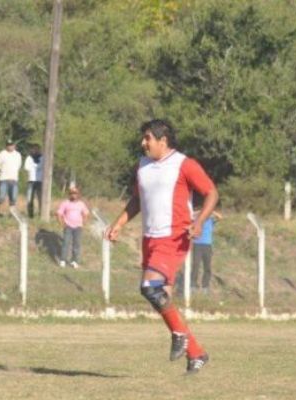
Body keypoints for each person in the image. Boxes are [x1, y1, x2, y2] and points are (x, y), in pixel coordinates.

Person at [106, 119, 218, 375]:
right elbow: (137, 200)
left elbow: (211, 193)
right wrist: (119, 224)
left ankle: (180, 335)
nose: (143, 143)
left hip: (174, 236)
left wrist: (199, 222)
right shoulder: (143, 166)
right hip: (150, 238)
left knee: (150, 288)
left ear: (162, 140)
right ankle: (197, 353)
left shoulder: (184, 164)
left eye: (147, 138)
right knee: (161, 298)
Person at [56, 187, 89, 268]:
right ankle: (63, 260)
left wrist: (84, 222)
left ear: (78, 194)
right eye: (72, 193)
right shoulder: (65, 203)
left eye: (75, 193)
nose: (73, 195)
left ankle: (74, 261)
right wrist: (62, 223)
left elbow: (86, 213)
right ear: (69, 194)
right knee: (66, 243)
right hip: (68, 226)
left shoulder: (81, 204)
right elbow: (59, 213)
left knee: (77, 244)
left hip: (78, 227)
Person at [191, 209, 223, 294]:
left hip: (207, 246)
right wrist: (200, 211)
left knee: (207, 267)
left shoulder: (211, 221)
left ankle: (205, 286)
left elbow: (220, 217)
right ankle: (193, 285)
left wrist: (211, 210)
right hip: (197, 244)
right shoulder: (197, 220)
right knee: (195, 266)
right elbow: (190, 215)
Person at [0, 140, 22, 216]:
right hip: (3, 179)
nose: (10, 146)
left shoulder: (18, 155)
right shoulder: (2, 154)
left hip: (14, 179)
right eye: (8, 145)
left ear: (14, 146)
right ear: (6, 146)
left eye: (11, 145)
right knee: (1, 197)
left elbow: (19, 166)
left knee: (13, 198)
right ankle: (0, 212)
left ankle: (11, 213)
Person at [23, 144, 43, 218]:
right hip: (31, 180)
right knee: (29, 198)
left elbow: (45, 167)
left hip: (40, 181)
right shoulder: (29, 158)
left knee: (41, 199)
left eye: (37, 149)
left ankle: (41, 214)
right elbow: (26, 168)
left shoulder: (43, 158)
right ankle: (30, 215)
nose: (35, 150)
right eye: (34, 149)